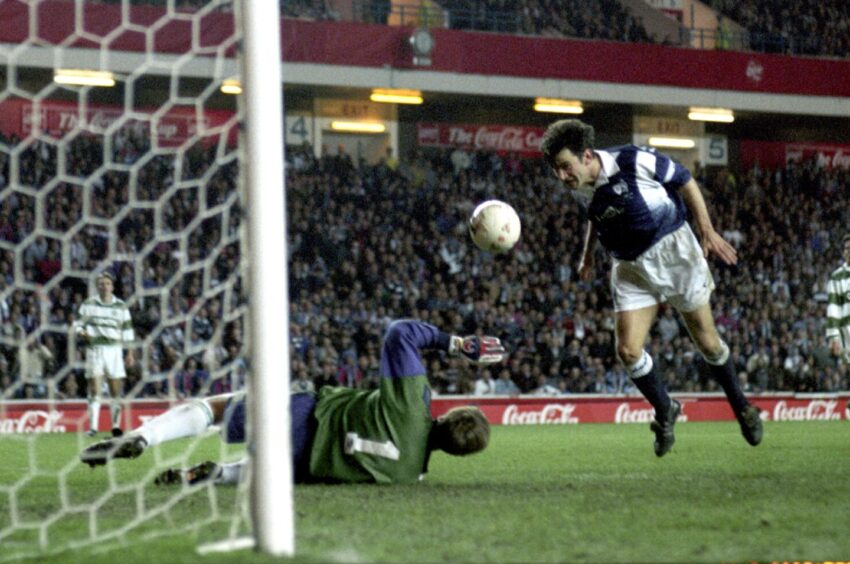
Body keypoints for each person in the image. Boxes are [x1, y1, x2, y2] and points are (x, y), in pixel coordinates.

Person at [540, 119, 762, 457]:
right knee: (628, 351)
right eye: (557, 170)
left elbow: (684, 180)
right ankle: (665, 408)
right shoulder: (582, 182)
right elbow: (594, 215)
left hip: (674, 253)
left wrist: (706, 229)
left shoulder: (631, 160)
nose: (562, 176)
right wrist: (586, 256)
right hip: (630, 267)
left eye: (565, 167)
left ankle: (742, 406)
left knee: (708, 344)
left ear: (586, 155)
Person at [80, 319, 507, 485]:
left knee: (216, 408)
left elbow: (400, 333)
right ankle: (218, 476)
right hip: (304, 467)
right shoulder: (408, 474)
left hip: (306, 415)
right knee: (287, 468)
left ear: (448, 414)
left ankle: (141, 437)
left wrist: (457, 343)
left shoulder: (414, 403)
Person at [73, 271, 136, 437]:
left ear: (112, 286)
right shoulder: (89, 304)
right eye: (101, 284)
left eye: (107, 283)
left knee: (116, 391)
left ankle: (115, 426)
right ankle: (93, 427)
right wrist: (83, 333)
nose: (104, 286)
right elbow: (78, 325)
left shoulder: (121, 306)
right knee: (95, 389)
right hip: (95, 350)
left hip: (114, 351)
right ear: (97, 286)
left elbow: (128, 331)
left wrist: (129, 353)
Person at [826, 234, 850, 366]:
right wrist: (834, 337)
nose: (849, 251)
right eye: (847, 248)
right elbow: (833, 309)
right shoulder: (837, 276)